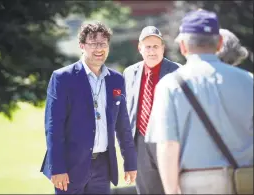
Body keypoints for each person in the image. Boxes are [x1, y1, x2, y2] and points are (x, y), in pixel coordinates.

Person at [145, 9, 253, 194]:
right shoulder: (249, 80)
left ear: (183, 46)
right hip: (246, 181)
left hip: (197, 184)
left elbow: (167, 146)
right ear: (219, 43)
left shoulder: (170, 85)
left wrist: (171, 191)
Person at [40, 21, 137, 194]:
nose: (99, 49)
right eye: (93, 43)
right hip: (70, 167)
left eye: (103, 44)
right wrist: (57, 168)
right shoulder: (63, 78)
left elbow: (122, 125)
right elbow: (53, 127)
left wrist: (130, 162)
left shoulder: (116, 79)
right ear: (82, 46)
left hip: (103, 167)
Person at [123, 26, 180, 194]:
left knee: (174, 188)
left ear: (163, 48)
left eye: (156, 46)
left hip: (167, 139)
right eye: (147, 47)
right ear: (140, 48)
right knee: (147, 190)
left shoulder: (178, 71)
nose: (152, 51)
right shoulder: (129, 73)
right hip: (139, 142)